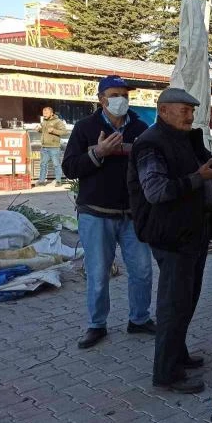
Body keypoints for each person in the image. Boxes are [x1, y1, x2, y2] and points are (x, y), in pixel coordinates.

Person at [128, 87, 212, 394]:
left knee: (187, 300)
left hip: (193, 233)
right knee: (173, 304)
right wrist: (200, 178)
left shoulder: (186, 137)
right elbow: (156, 191)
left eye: (192, 110)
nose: (190, 115)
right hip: (171, 236)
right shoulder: (150, 143)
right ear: (163, 111)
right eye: (184, 110)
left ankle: (178, 353)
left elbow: (205, 171)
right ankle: (166, 373)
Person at [62, 75, 154, 350]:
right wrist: (99, 152)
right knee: (98, 274)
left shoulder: (140, 127)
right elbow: (69, 168)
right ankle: (97, 325)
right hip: (96, 213)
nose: (121, 100)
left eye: (125, 95)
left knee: (142, 271)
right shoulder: (85, 127)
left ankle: (139, 319)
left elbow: (149, 165)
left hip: (131, 214)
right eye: (115, 94)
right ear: (101, 98)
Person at [37, 106, 67, 187]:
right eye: (43, 113)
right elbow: (44, 131)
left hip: (54, 147)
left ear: (51, 113)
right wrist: (39, 129)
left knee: (56, 164)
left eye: (46, 113)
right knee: (43, 164)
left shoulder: (57, 121)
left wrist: (54, 130)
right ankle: (41, 181)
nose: (44, 114)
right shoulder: (44, 121)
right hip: (44, 147)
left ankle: (58, 181)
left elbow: (64, 132)